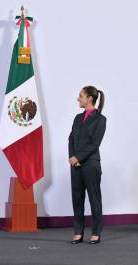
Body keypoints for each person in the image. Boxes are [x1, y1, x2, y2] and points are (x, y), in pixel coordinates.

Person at [68, 86, 106, 245]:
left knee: (94, 198)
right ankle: (78, 232)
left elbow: (94, 143)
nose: (78, 99)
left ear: (90, 98)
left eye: (81, 96)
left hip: (91, 164)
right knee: (77, 199)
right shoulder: (77, 118)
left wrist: (78, 157)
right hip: (75, 164)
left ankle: (96, 232)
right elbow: (71, 138)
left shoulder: (100, 119)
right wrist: (72, 157)